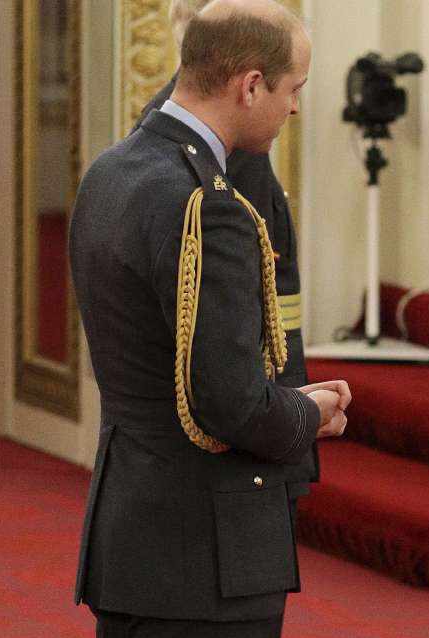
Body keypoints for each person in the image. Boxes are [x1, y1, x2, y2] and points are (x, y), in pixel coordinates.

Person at [68, 1, 350, 638]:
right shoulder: (209, 205)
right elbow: (229, 403)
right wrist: (312, 413)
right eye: (293, 91)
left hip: (134, 530)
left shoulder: (112, 170)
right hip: (206, 553)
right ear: (250, 85)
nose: (293, 111)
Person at [131, 0, 320, 514]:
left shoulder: (151, 139)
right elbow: (246, 297)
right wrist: (295, 412)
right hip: (248, 409)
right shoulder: (227, 147)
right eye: (292, 89)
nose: (294, 106)